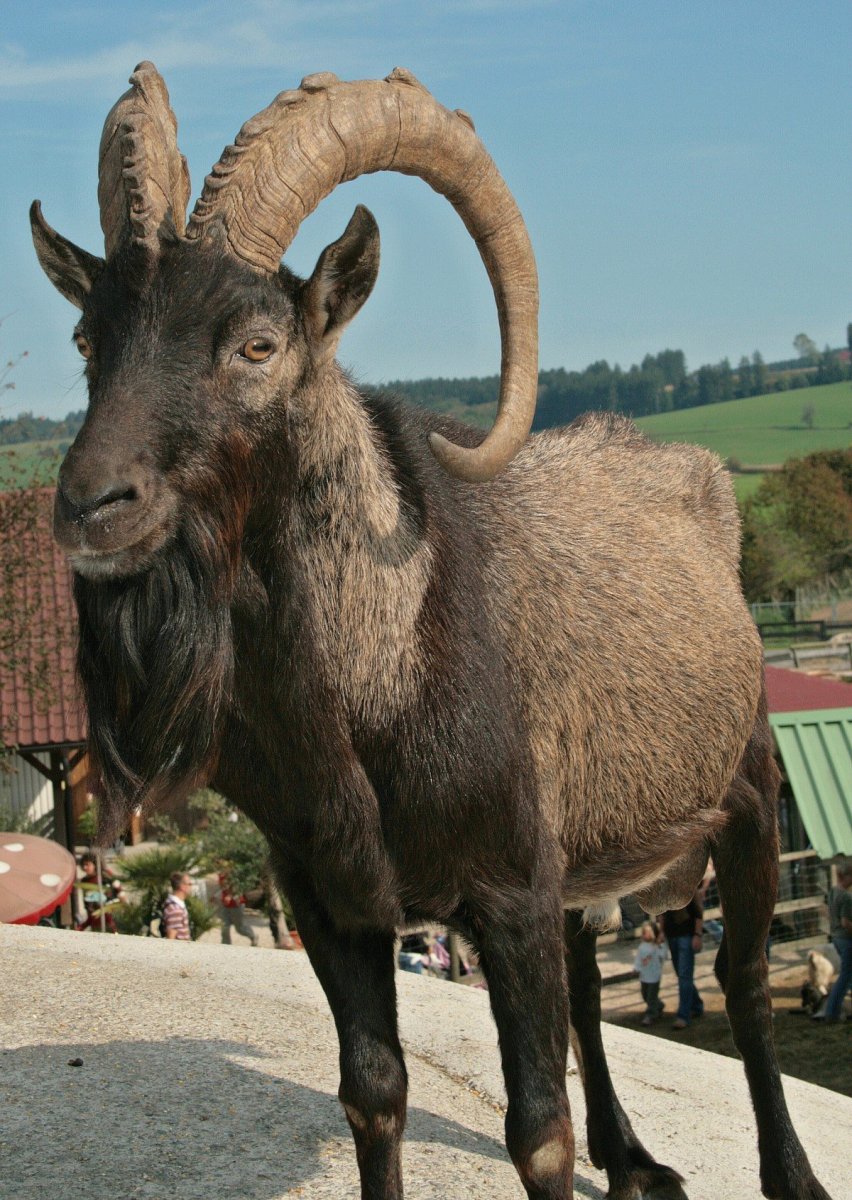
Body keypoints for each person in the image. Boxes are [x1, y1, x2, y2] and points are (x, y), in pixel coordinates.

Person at [812, 860, 852, 1023]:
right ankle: (831, 1013)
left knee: (847, 976)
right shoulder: (847, 897)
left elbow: (828, 913)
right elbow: (846, 922)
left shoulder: (833, 891)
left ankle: (832, 1011)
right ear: (847, 876)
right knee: (845, 978)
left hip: (836, 937)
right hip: (846, 939)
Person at [662, 894, 704, 1029]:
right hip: (671, 935)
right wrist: (662, 932)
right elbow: (661, 913)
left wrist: (697, 935)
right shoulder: (664, 889)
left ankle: (683, 1016)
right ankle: (696, 1005)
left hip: (686, 935)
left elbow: (698, 914)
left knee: (684, 976)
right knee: (682, 974)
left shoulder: (688, 887)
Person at [633, 921, 667, 1025]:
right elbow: (638, 959)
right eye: (643, 932)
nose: (644, 935)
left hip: (654, 976)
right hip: (644, 976)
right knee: (645, 995)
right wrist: (636, 968)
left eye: (646, 932)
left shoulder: (658, 947)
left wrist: (660, 945)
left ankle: (651, 1014)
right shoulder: (642, 947)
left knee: (651, 997)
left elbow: (664, 956)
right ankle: (659, 1005)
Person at [217, 870, 259, 947]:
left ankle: (253, 936)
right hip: (226, 906)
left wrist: (230, 896)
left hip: (236, 906)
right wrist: (216, 896)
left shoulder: (234, 874)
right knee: (224, 926)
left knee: (240, 928)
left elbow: (239, 888)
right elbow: (223, 889)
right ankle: (225, 946)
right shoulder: (221, 875)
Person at [161, 871, 193, 941]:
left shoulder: (177, 905)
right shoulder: (175, 909)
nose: (191, 887)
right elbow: (171, 939)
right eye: (189, 884)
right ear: (182, 886)